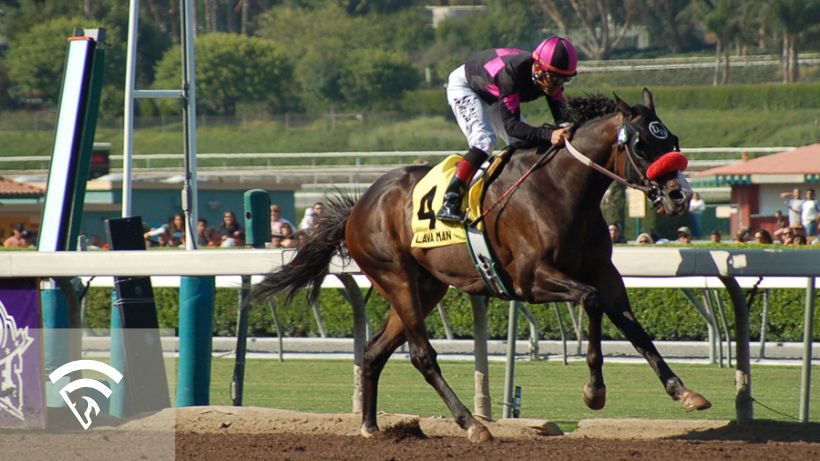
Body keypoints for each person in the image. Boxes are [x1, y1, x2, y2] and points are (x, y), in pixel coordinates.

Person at [437, 36, 578, 222]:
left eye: (563, 81)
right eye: (554, 79)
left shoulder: (547, 75)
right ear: (537, 68)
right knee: (484, 141)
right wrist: (549, 134)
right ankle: (451, 200)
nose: (557, 87)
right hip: (468, 86)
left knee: (523, 146)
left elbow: (564, 121)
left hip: (494, 92)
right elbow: (512, 127)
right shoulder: (512, 74)